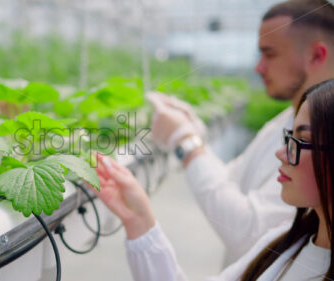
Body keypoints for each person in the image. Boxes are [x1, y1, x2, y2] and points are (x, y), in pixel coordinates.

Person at [147, 0, 334, 262]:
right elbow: (231, 179)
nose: (259, 68)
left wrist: (186, 142)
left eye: (270, 54)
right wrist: (193, 130)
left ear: (316, 55)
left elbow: (249, 234)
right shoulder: (284, 120)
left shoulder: (317, 145)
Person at [96, 79, 334, 281]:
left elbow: (243, 225)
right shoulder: (287, 241)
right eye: (288, 137)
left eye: (301, 140)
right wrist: (139, 220)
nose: (281, 153)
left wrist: (185, 140)